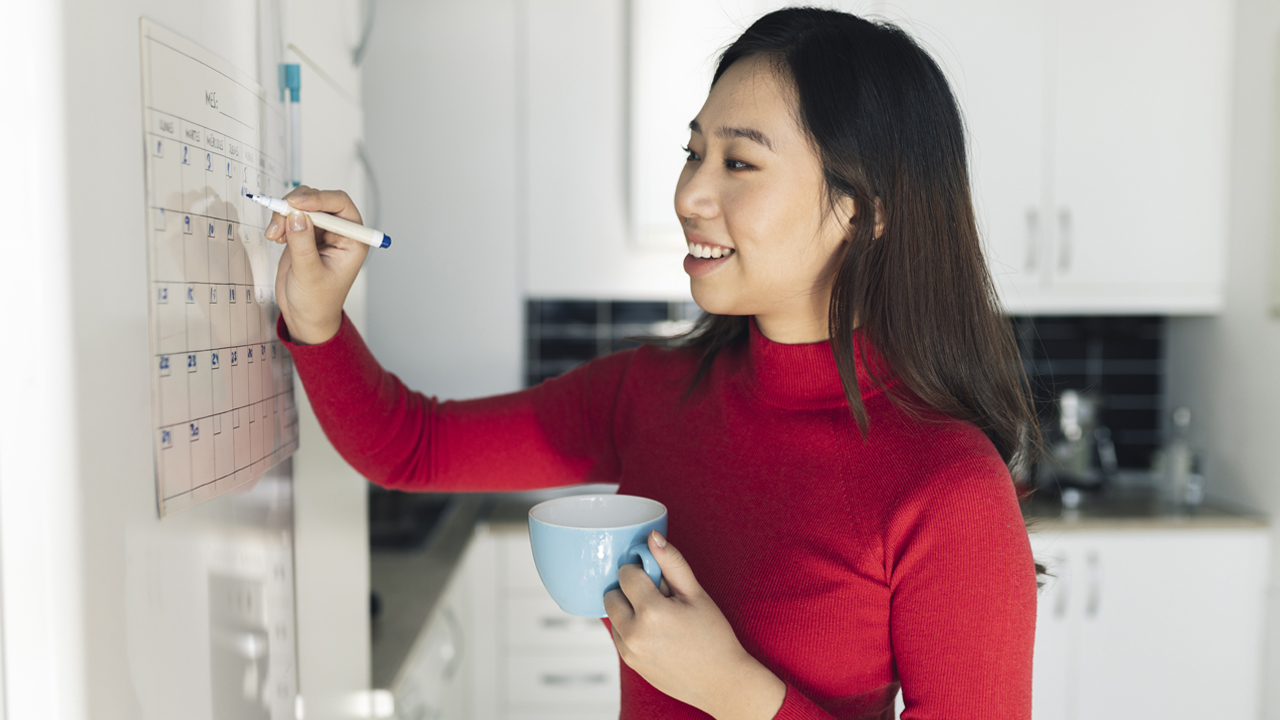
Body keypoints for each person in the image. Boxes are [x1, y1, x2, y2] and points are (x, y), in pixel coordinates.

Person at [268, 7, 1039, 720]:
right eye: (694, 153)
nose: (690, 193)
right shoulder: (651, 394)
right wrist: (316, 317)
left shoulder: (949, 488)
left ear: (862, 210)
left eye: (740, 163)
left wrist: (734, 690)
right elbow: (409, 446)